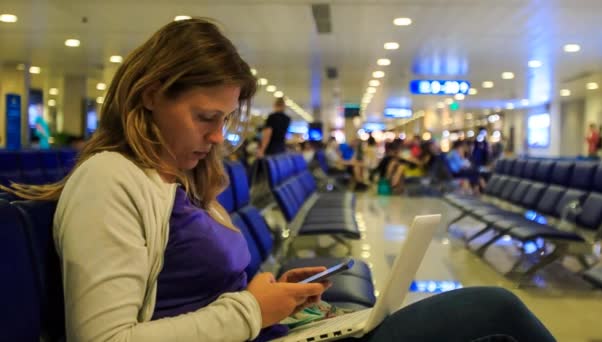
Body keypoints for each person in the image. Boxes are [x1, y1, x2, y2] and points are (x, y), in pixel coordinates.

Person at [2, 18, 555, 342]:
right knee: (495, 313)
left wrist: (270, 290)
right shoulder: (109, 181)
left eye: (226, 120)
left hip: (265, 329)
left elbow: (193, 290)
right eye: (205, 117)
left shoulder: (176, 177)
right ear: (150, 95)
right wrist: (252, 310)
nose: (219, 137)